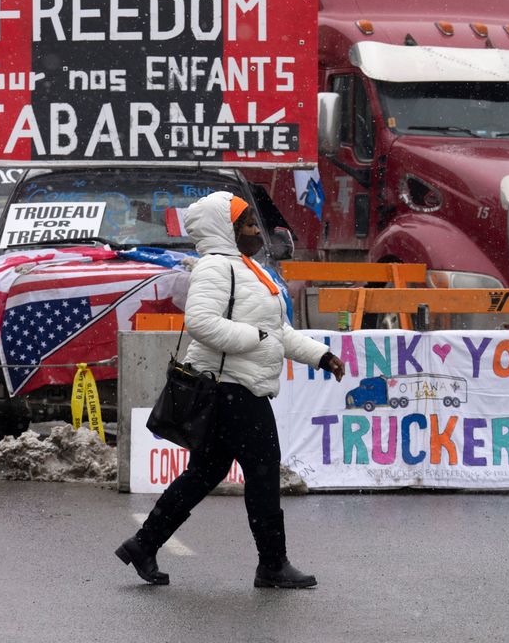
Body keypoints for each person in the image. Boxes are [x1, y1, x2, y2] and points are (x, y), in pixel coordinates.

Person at [116, 191, 345, 589]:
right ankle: (272, 564)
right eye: (249, 227)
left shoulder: (249, 270)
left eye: (255, 225)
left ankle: (144, 543)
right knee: (262, 471)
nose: (257, 233)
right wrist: (252, 336)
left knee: (205, 473)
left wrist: (321, 357)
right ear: (227, 231)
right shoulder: (217, 268)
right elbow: (201, 322)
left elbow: (279, 333)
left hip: (239, 386)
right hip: (230, 387)